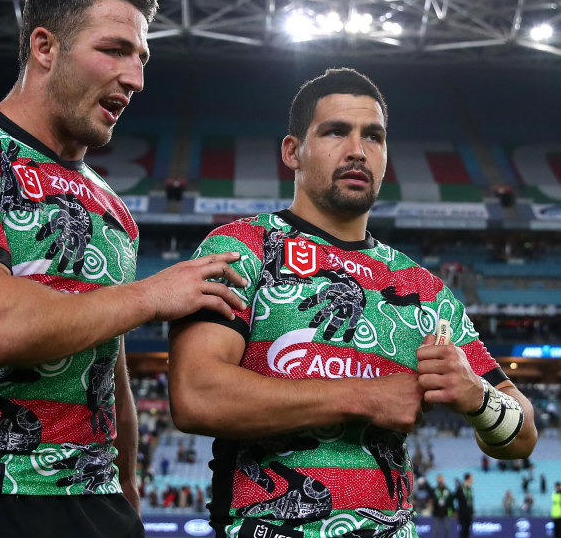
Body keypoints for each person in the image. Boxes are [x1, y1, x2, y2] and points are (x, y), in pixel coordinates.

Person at [0, 0, 246, 538]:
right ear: (44, 47)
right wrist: (151, 294)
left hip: (96, 501)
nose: (135, 78)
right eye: (114, 50)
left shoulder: (113, 207)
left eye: (142, 59)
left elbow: (111, 367)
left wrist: (126, 489)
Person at [167, 67, 538, 538]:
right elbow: (195, 395)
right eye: (336, 131)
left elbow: (522, 433)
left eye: (374, 137)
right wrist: (366, 398)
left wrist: (478, 396)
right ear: (292, 151)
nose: (357, 150)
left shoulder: (420, 287)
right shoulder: (244, 248)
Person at [430, 474, 453, 538]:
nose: (440, 480)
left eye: (441, 478)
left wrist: (453, 511)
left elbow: (450, 501)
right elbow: (431, 499)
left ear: (443, 480)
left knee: (447, 529)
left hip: (445, 512)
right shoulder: (434, 490)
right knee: (436, 531)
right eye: (439, 478)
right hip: (436, 513)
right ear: (437, 480)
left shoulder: (447, 490)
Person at [453, 473, 474, 538]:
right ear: (468, 478)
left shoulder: (470, 488)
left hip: (469, 512)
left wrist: (472, 510)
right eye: (472, 478)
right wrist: (455, 510)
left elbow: (470, 500)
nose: (473, 479)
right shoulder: (461, 488)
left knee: (467, 529)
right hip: (462, 512)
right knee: (463, 529)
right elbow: (454, 497)